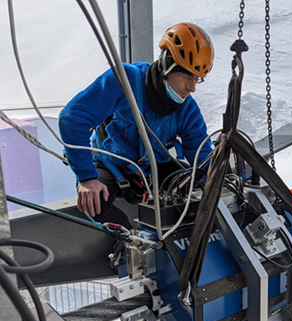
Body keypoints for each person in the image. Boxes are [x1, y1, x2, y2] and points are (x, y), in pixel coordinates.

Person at [59, 22, 215, 229]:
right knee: (95, 206)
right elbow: (72, 119)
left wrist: (222, 176)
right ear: (166, 66)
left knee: (195, 189)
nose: (192, 87)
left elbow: (201, 156)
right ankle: (134, 249)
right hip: (110, 163)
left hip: (152, 168)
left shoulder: (187, 109)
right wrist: (86, 178)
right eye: (186, 75)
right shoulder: (125, 80)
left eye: (198, 79)